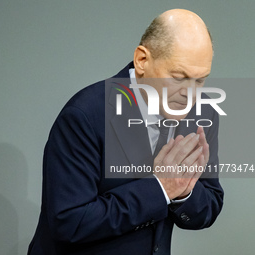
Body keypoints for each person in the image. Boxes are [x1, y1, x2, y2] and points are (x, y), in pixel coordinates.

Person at [28, 9, 224, 255]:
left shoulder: (201, 115)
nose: (190, 94)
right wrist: (161, 189)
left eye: (200, 80)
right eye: (178, 77)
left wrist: (183, 193)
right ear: (142, 60)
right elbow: (70, 222)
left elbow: (208, 207)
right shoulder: (85, 115)